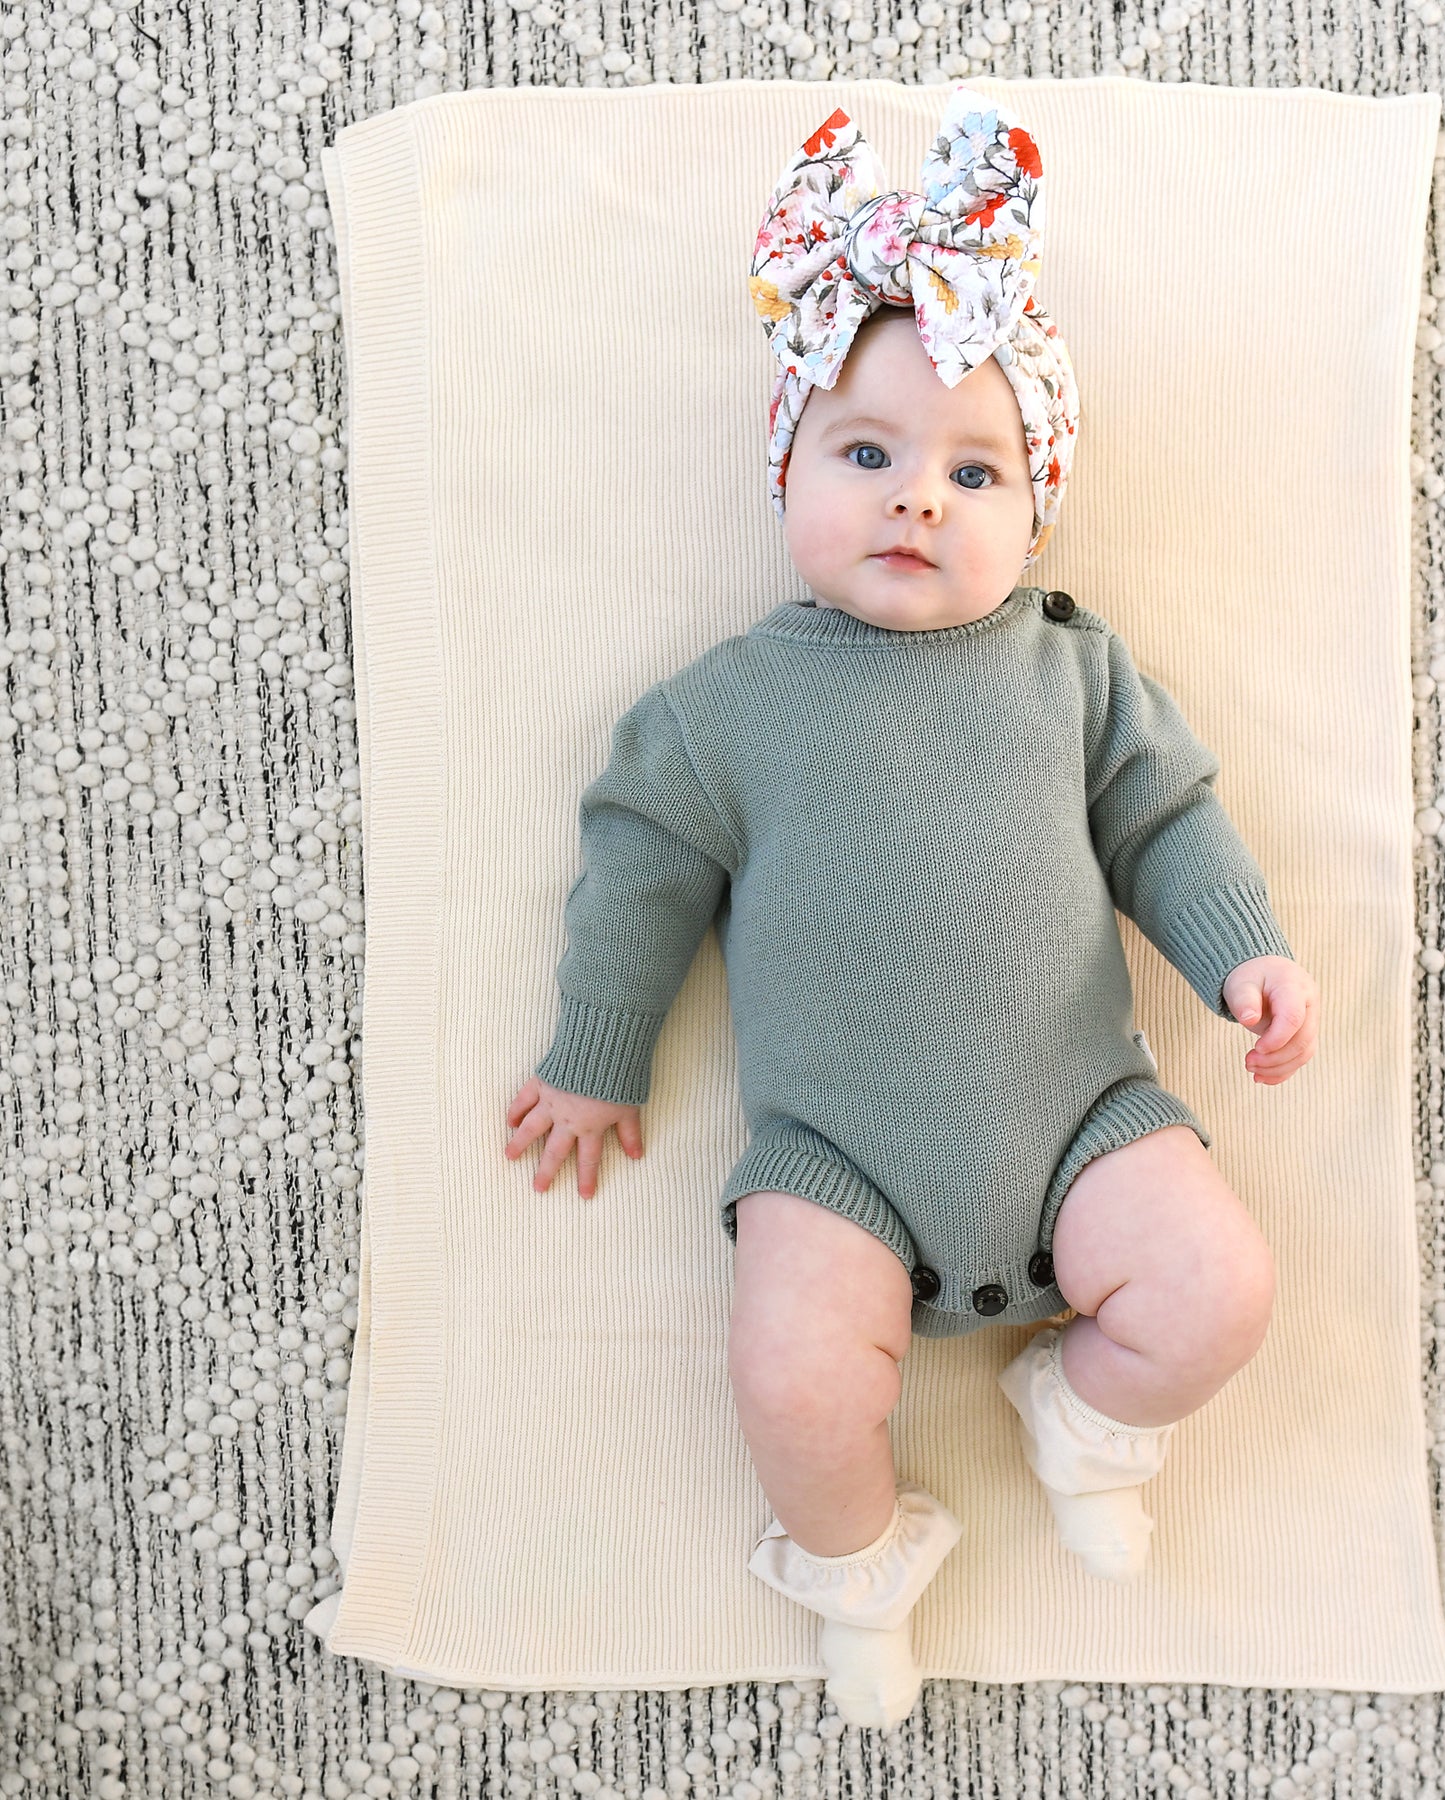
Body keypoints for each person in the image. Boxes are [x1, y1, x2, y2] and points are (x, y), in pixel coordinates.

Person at [503, 87, 1319, 1729]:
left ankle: (1087, 1417)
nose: (917, 499)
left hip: (1083, 1116)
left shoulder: (1070, 671)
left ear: (1036, 509)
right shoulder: (726, 709)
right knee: (792, 1376)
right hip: (838, 1161)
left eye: (975, 469)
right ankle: (859, 1567)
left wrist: (1243, 949)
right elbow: (639, 867)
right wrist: (597, 1052)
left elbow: (1167, 817)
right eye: (864, 453)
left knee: (1224, 1287)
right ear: (786, 471)